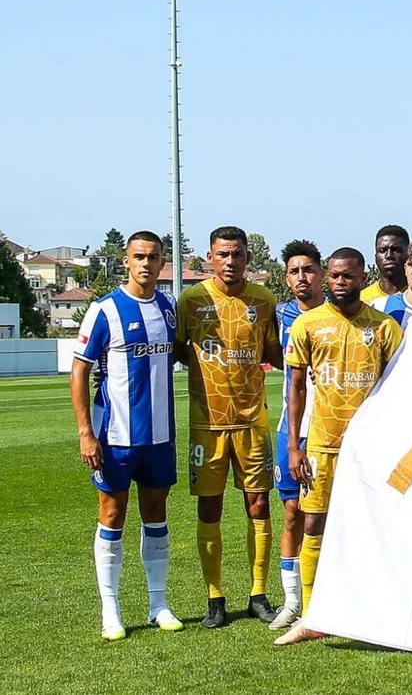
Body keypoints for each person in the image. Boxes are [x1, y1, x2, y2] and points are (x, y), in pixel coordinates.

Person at [274, 247, 404, 645]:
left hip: (368, 447)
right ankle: (313, 614)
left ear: (363, 277)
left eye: (348, 276)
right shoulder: (308, 325)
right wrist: (296, 448)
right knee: (313, 523)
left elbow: (401, 387)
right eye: (334, 276)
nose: (340, 282)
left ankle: (375, 611)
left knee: (373, 524)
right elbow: (295, 387)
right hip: (321, 444)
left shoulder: (384, 328)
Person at [70, 231, 183, 640]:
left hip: (159, 436)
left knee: (157, 515)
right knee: (112, 515)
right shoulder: (105, 311)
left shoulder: (169, 307)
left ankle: (158, 604)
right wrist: (86, 432)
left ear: (162, 261)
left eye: (153, 257)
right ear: (125, 260)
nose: (146, 264)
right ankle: (111, 609)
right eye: (139, 257)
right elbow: (80, 369)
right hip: (115, 437)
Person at [176, 226, 284, 628]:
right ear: (210, 256)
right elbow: (180, 351)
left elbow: (272, 351)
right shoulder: (192, 299)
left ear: (247, 259)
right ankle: (214, 597)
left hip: (253, 421)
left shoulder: (264, 300)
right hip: (207, 423)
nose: (230, 261)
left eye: (237, 254)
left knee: (258, 504)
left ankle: (258, 593)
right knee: (210, 505)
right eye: (223, 254)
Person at [268, 240, 324, 630]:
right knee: (292, 513)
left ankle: (325, 598)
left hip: (333, 428)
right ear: (286, 277)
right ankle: (292, 602)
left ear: (320, 273)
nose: (301, 277)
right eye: (294, 271)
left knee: (325, 517)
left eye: (308, 270)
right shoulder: (279, 314)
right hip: (293, 428)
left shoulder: (342, 313)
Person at [359, 225, 410, 303]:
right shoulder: (362, 301)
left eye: (395, 250)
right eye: (382, 250)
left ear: (408, 255)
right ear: (376, 257)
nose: (389, 255)